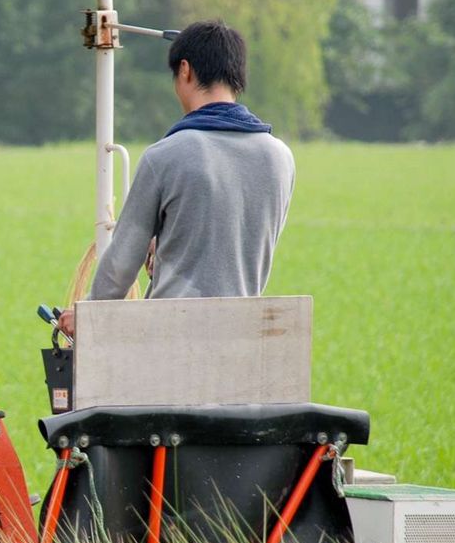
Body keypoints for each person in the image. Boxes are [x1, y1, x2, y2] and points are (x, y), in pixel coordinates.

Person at [58, 20, 295, 338]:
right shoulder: (280, 157)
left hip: (172, 339)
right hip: (243, 337)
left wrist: (87, 312)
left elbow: (122, 263)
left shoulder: (167, 155)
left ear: (185, 70)